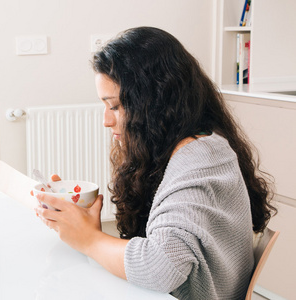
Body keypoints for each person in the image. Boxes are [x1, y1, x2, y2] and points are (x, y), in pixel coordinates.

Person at [34, 27, 276, 300]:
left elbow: (162, 267)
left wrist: (90, 239)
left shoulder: (201, 158)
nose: (106, 120)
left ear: (153, 102)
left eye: (114, 106)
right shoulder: (180, 146)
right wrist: (78, 224)